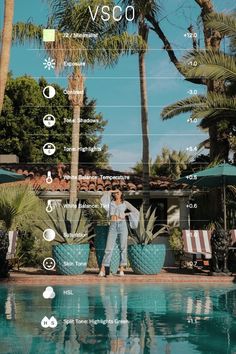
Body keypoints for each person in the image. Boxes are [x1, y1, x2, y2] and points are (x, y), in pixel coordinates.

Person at [98, 189, 139, 277]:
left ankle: (121, 269)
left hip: (122, 225)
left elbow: (136, 211)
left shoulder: (125, 203)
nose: (116, 194)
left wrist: (126, 214)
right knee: (108, 248)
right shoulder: (110, 202)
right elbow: (104, 195)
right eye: (115, 193)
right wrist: (113, 190)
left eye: (118, 192)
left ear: (121, 194)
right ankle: (102, 269)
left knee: (123, 247)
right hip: (113, 226)